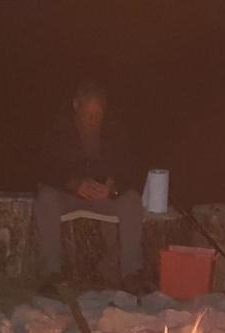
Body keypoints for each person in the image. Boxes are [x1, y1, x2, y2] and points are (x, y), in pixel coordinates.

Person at [33, 81, 147, 293]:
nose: (93, 120)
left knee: (131, 200)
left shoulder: (115, 130)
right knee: (46, 198)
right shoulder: (58, 129)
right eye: (88, 114)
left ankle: (131, 273)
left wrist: (113, 187)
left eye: (98, 114)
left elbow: (131, 169)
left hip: (102, 196)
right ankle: (51, 274)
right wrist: (73, 183)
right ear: (76, 105)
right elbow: (43, 167)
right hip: (68, 194)